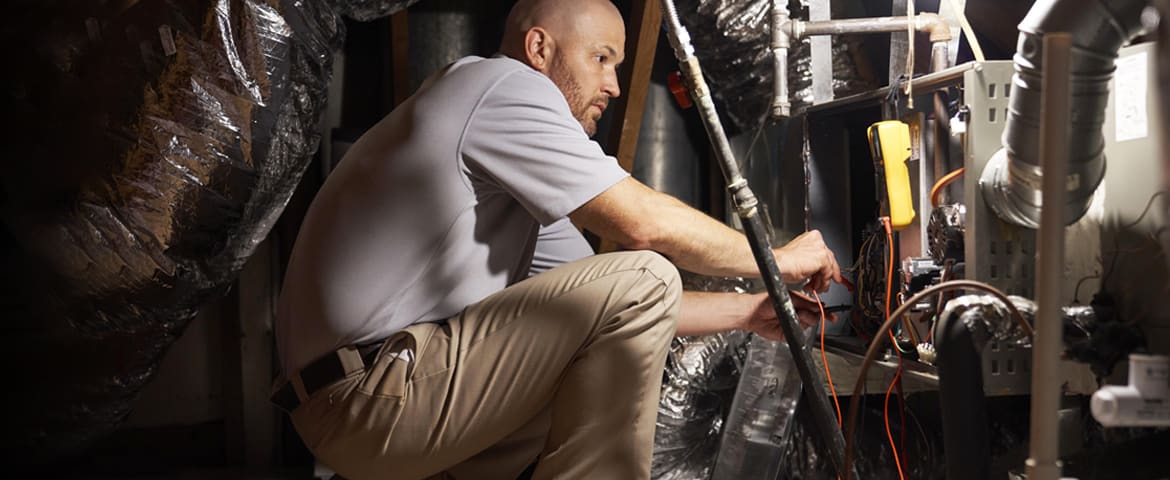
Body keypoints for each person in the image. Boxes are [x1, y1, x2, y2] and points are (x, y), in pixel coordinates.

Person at [271, 0, 842, 478]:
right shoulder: (499, 85)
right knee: (646, 270)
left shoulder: (510, 176)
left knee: (623, 303)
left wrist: (750, 310)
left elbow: (611, 309)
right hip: (370, 396)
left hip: (366, 402)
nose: (614, 86)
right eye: (601, 59)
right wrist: (781, 258)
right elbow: (644, 227)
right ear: (540, 49)